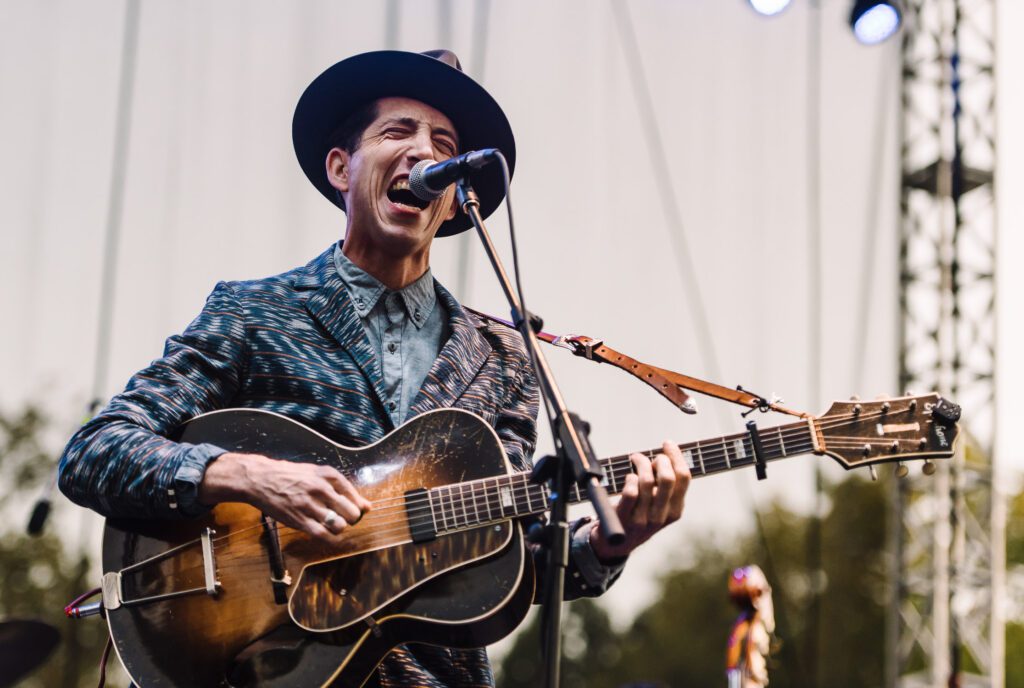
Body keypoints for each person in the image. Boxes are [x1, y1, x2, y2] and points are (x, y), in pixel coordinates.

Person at [58, 49, 691, 687]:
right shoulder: (253, 312)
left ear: (453, 204)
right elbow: (95, 452)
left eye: (443, 143)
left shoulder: (503, 358)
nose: (424, 152)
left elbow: (509, 560)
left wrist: (610, 543)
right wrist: (250, 476)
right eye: (398, 132)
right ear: (341, 167)